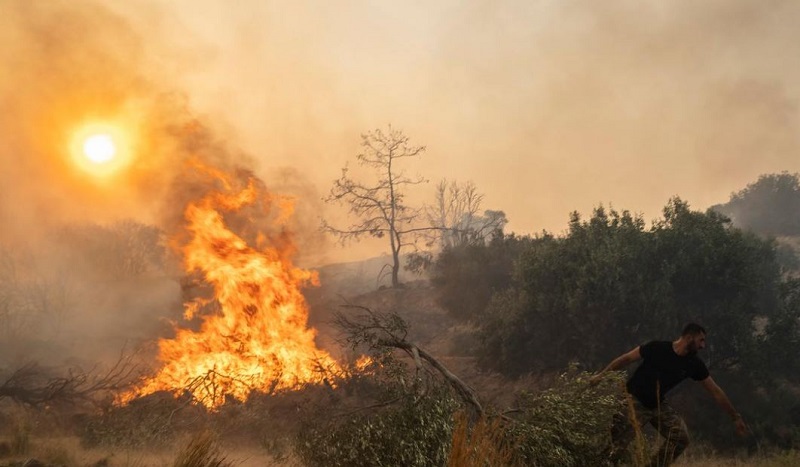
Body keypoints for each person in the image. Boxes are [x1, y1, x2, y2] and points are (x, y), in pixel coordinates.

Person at [589, 323, 748, 466]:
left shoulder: (694, 364)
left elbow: (715, 391)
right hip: (633, 401)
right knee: (614, 449)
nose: (703, 345)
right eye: (701, 340)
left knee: (680, 438)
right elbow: (626, 359)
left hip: (657, 405)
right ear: (689, 337)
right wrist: (601, 376)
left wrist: (735, 417)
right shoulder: (656, 348)